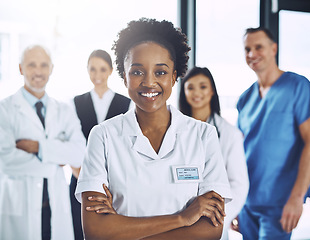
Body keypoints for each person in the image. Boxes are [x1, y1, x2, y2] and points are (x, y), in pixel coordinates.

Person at [75, 18, 232, 239]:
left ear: (175, 76)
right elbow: (96, 231)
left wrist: (121, 229)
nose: (149, 82)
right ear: (124, 76)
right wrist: (183, 218)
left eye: (160, 72)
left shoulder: (203, 136)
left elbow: (211, 230)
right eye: (137, 72)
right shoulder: (103, 136)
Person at [0, 45, 86, 240]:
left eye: (44, 65)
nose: (38, 71)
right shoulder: (3, 110)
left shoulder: (64, 110)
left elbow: (79, 153)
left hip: (54, 207)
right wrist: (56, 158)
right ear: (20, 68)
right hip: (17, 209)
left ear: (51, 69)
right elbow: (5, 161)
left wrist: (37, 147)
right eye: (32, 65)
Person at [237, 27, 310, 239]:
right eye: (247, 49)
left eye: (258, 47)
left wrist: (297, 197)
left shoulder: (298, 86)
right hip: (246, 202)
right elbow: (238, 152)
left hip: (279, 202)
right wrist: (235, 202)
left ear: (273, 48)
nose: (252, 54)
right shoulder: (245, 99)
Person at [179, 66, 249, 240]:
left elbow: (239, 184)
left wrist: (217, 218)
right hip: (177, 218)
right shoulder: (175, 130)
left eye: (203, 86)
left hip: (211, 222)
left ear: (212, 91)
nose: (197, 93)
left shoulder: (229, 134)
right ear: (184, 93)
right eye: (190, 87)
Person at [70, 49, 131, 240]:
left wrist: (110, 185)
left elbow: (126, 147)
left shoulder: (126, 104)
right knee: (81, 232)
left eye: (102, 69)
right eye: (92, 70)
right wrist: (83, 178)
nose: (97, 75)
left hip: (114, 183)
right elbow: (71, 143)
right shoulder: (76, 102)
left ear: (111, 71)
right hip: (79, 179)